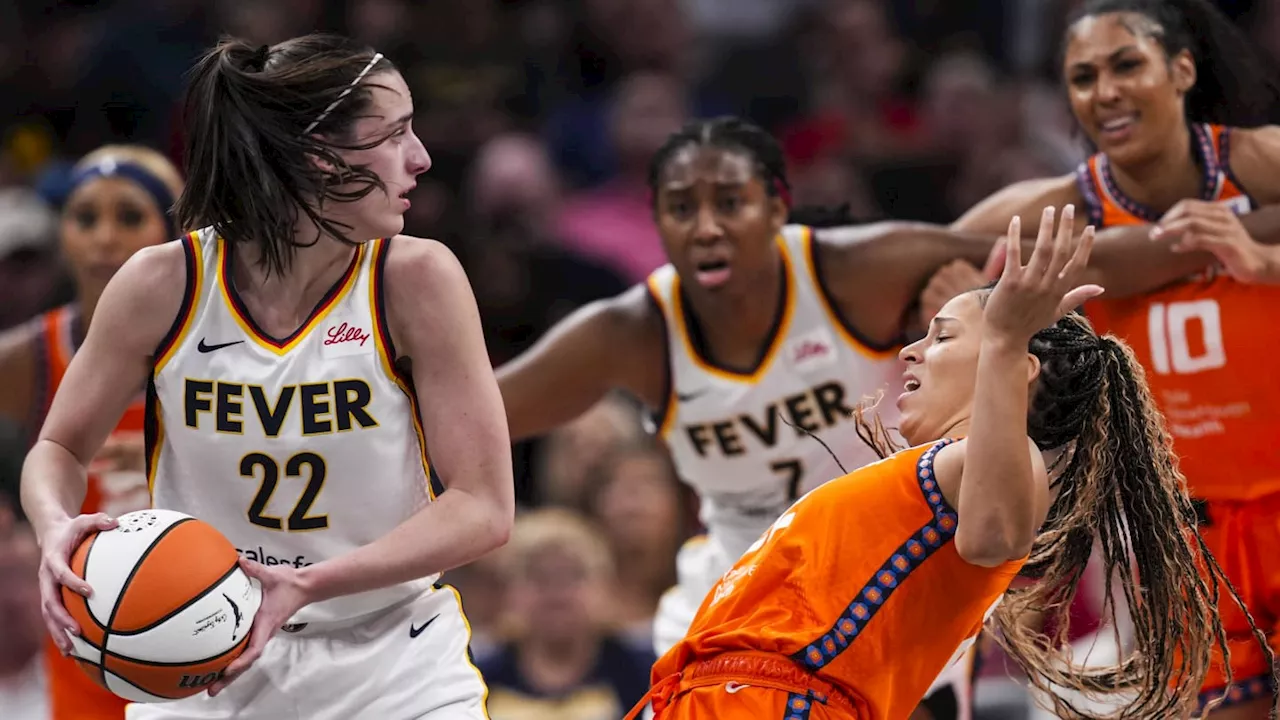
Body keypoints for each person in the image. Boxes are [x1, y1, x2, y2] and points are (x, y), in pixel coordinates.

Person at [20, 34, 513, 720]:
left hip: (391, 660)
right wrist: (53, 529)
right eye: (395, 133)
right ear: (320, 156)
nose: (421, 158)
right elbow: (59, 449)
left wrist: (309, 584)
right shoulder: (164, 283)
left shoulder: (416, 279)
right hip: (200, 655)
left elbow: (483, 508)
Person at [625, 205, 1260, 720]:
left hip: (766, 702)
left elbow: (997, 535)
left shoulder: (998, 472)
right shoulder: (938, 470)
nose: (910, 351)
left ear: (1019, 371)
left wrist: (1006, 339)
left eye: (942, 336)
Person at [497, 115, 1035, 719]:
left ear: (778, 209)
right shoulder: (633, 328)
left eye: (730, 203)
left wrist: (975, 314)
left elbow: (1043, 251)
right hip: (736, 596)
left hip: (880, 583)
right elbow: (486, 412)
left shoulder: (858, 272)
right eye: (681, 208)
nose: (707, 229)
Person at [950, 1, 1280, 714]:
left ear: (1182, 68)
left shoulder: (1254, 161)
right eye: (1082, 76)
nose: (1105, 91)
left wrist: (1263, 257)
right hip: (1189, 530)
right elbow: (926, 263)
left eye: (1127, 64)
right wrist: (942, 294)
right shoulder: (1056, 209)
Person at [0, 144, 183, 720]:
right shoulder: (26, 356)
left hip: (194, 604)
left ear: (174, 230)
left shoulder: (217, 347)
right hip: (81, 621)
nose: (104, 238)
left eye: (129, 216)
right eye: (84, 218)